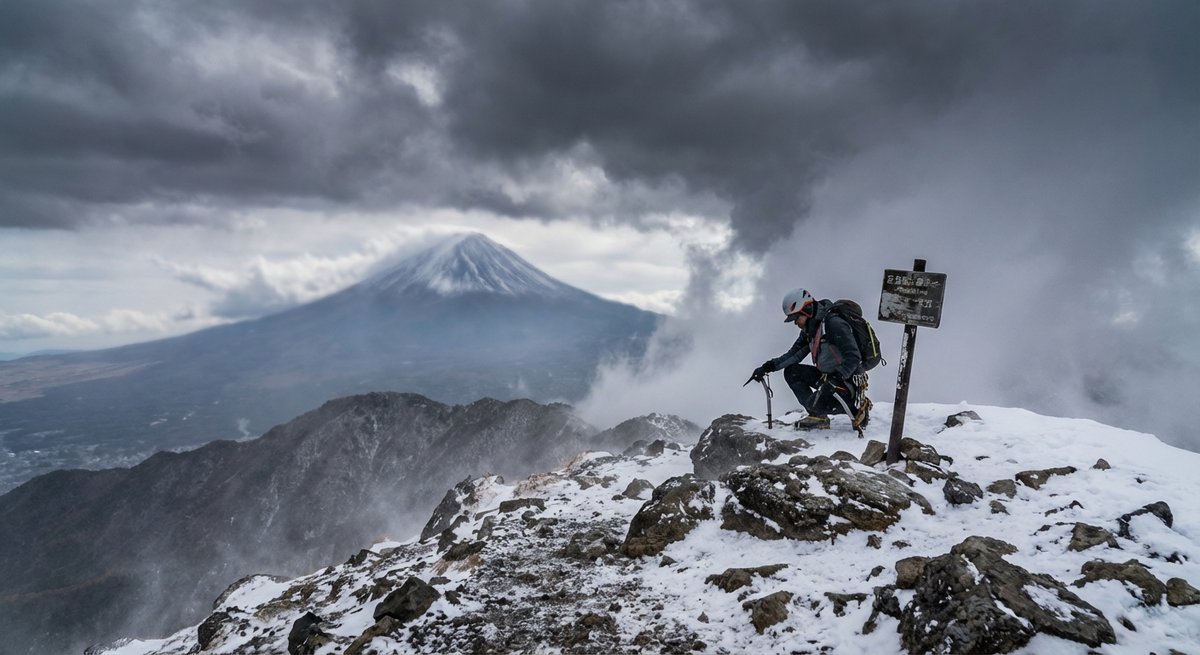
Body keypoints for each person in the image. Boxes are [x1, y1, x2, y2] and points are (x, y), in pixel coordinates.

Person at [748, 288, 871, 430]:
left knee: (814, 403)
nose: (795, 323)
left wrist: (836, 379)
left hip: (846, 382)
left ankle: (857, 410)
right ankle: (818, 416)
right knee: (792, 372)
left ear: (806, 310)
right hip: (829, 380)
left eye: (796, 318)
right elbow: (794, 355)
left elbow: (853, 357)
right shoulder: (811, 329)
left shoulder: (833, 324)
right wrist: (767, 367)